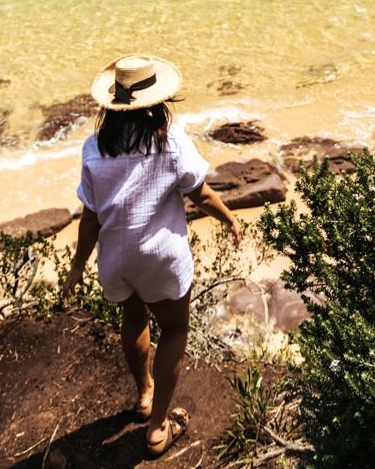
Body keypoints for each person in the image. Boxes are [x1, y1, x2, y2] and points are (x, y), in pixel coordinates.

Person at [62, 53, 242, 458]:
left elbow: (90, 218)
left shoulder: (94, 148)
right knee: (175, 331)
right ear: (158, 102)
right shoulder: (170, 141)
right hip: (160, 257)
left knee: (133, 316)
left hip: (116, 259)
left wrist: (77, 267)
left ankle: (144, 393)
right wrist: (229, 219)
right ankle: (158, 426)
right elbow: (201, 194)